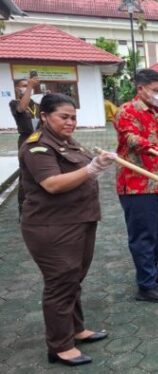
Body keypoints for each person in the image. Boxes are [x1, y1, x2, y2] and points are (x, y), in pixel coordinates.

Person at [19, 93, 115, 366]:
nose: (71, 122)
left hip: (78, 221)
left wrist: (98, 162)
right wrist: (92, 169)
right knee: (60, 283)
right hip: (51, 227)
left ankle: (76, 329)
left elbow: (80, 167)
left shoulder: (66, 141)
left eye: (73, 117)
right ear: (45, 116)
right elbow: (51, 184)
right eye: (64, 117)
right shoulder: (37, 146)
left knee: (73, 279)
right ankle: (60, 346)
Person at [114, 69, 158, 303]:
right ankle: (145, 285)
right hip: (137, 184)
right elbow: (131, 138)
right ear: (140, 88)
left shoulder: (157, 112)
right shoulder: (127, 111)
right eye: (156, 90)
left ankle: (153, 268)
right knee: (143, 235)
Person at [10, 77, 41, 217]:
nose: (27, 87)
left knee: (40, 169)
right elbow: (22, 108)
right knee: (25, 172)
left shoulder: (35, 104)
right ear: (17, 89)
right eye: (23, 85)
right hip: (25, 140)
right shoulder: (15, 103)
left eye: (28, 85)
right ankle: (23, 207)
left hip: (39, 139)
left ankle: (40, 203)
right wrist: (29, 86)